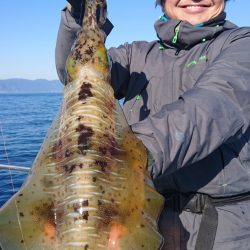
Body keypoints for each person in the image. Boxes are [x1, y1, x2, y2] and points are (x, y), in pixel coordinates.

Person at [55, 0, 250, 249]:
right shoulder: (135, 55)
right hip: (138, 221)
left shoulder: (242, 44)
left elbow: (214, 105)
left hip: (223, 232)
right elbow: (77, 73)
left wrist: (123, 156)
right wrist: (81, 15)